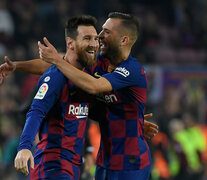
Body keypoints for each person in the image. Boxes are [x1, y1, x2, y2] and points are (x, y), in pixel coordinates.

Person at [0, 12, 159, 180]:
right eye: (95, 34)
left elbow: (93, 85)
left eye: (106, 32)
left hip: (129, 162)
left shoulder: (131, 69)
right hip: (98, 161)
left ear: (124, 40)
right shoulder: (96, 63)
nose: (100, 36)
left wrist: (133, 120)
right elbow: (55, 65)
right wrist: (17, 66)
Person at [14, 15, 99, 180]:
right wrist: (24, 147)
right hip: (52, 167)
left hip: (73, 167)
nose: (94, 44)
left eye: (96, 39)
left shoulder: (87, 77)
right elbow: (35, 111)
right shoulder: (55, 77)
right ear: (70, 43)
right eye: (87, 38)